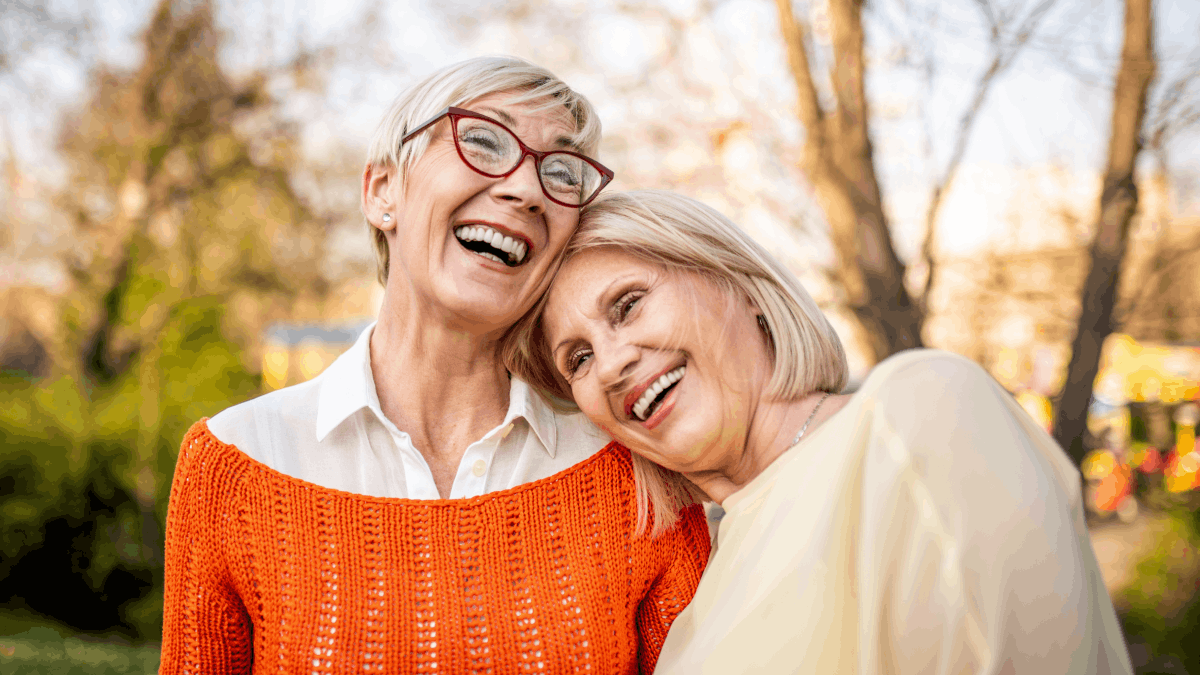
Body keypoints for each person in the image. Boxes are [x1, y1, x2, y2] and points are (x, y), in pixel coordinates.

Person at [160, 60, 710, 674]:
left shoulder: (637, 476)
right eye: (482, 139)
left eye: (561, 173)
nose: (526, 190)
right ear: (381, 192)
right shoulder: (234, 462)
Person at [507, 189, 1133, 674]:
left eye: (628, 304)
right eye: (578, 359)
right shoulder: (696, 597)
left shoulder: (914, 415)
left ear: (740, 285)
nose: (612, 363)